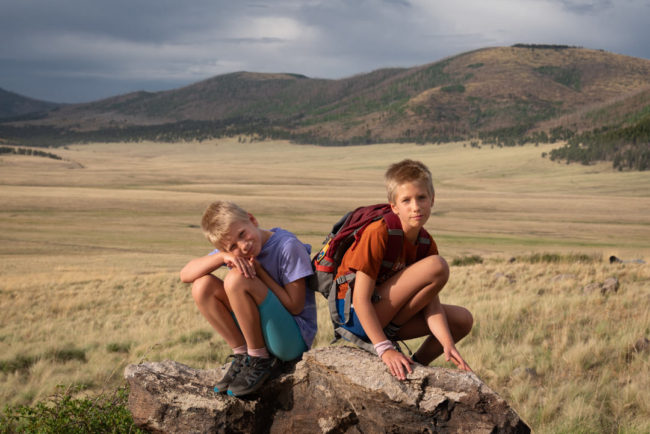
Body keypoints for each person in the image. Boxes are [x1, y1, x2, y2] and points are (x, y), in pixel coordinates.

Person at [334, 159, 473, 380]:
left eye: (421, 198)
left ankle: (415, 368)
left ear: (432, 200)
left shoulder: (426, 243)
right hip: (356, 317)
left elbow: (431, 303)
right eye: (406, 200)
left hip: (388, 319)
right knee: (438, 266)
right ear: (394, 206)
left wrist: (448, 344)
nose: (415, 207)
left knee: (462, 320)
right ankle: (386, 345)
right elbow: (360, 299)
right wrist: (384, 348)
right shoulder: (378, 232)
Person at [180, 201, 316, 397]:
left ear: (252, 219)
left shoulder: (287, 246)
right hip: (262, 331)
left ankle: (259, 359)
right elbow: (185, 274)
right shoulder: (232, 252)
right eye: (232, 246)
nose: (243, 246)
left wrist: (260, 273)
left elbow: (295, 306)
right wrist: (222, 258)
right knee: (202, 286)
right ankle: (243, 355)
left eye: (243, 234)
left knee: (236, 279)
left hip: (291, 341)